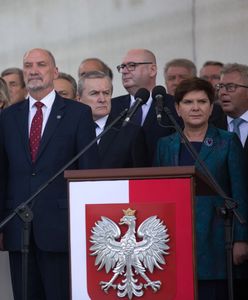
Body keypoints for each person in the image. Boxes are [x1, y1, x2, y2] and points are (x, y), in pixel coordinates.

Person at [0, 48, 99, 300]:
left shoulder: (78, 114)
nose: (34, 70)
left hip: (62, 228)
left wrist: (88, 224)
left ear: (54, 71)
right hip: (18, 227)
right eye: (28, 65)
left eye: (41, 64)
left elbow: (89, 173)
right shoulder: (8, 117)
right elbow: (2, 173)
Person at [154, 77, 248, 300]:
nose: (195, 107)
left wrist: (241, 240)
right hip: (174, 240)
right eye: (188, 102)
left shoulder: (227, 141)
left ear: (210, 107)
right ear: (177, 109)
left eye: (202, 101)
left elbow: (240, 193)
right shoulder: (165, 145)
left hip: (216, 239)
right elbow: (157, 193)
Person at [112, 48, 181, 164]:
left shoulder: (174, 106)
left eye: (131, 65)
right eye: (122, 67)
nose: (124, 71)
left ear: (152, 70)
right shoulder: (112, 107)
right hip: (121, 180)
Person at [78, 71, 148, 168]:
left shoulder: (131, 133)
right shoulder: (69, 130)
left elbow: (140, 175)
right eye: (94, 93)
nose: (102, 99)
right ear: (79, 98)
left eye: (106, 93)